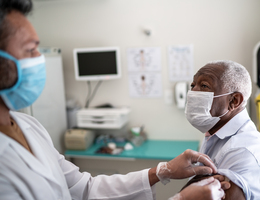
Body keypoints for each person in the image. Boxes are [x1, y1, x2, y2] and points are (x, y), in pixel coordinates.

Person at [0, 0, 228, 199]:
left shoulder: (28, 125)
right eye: (31, 50)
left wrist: (162, 171)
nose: (40, 59)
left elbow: (86, 188)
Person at [184, 60, 260, 199]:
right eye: (193, 85)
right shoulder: (216, 130)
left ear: (234, 101)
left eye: (204, 86)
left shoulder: (241, 150)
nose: (193, 92)